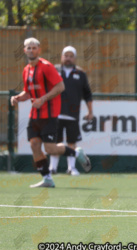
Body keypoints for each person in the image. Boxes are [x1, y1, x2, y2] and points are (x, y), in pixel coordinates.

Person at [10, 38, 92, 188]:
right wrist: (17, 98)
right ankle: (47, 178)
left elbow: (60, 86)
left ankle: (76, 153)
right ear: (24, 50)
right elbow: (28, 93)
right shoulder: (26, 69)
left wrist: (43, 99)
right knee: (34, 145)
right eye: (28, 48)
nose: (31, 50)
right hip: (34, 115)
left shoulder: (46, 67)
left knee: (50, 149)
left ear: (39, 50)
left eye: (34, 48)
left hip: (49, 115)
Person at [49, 46, 93, 176]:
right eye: (66, 55)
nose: (68, 58)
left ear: (74, 58)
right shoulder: (53, 70)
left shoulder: (80, 74)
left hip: (72, 115)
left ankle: (71, 168)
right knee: (54, 142)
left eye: (71, 56)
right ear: (62, 57)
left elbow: (87, 94)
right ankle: (52, 168)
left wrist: (90, 111)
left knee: (72, 141)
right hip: (55, 114)